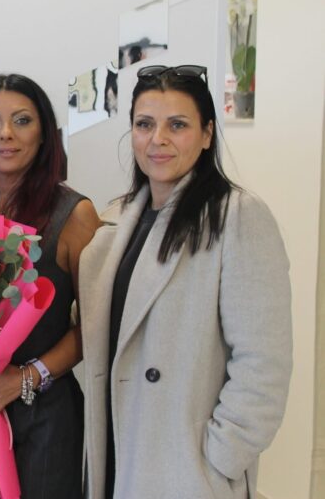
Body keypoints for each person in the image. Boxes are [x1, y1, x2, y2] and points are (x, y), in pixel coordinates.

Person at [79, 65, 292, 499]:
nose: (157, 139)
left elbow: (263, 364)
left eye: (177, 125)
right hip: (120, 452)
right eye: (144, 124)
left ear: (207, 133)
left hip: (184, 469)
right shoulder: (119, 220)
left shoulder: (237, 216)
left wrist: (219, 458)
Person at [0, 73, 101, 498]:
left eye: (22, 120)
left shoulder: (75, 215)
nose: (5, 134)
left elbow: (96, 326)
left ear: (45, 134)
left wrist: (24, 379)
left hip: (44, 413)